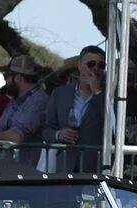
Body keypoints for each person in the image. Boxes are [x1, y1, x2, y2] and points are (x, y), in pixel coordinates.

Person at [42, 45, 105, 173]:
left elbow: (113, 127)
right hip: (65, 164)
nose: (96, 69)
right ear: (80, 65)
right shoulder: (60, 94)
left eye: (101, 65)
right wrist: (59, 135)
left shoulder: (108, 96)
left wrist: (98, 92)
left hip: (94, 166)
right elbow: (46, 130)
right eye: (91, 64)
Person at [0, 54, 50, 165]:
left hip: (26, 173)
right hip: (10, 169)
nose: (5, 81)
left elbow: (15, 137)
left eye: (6, 76)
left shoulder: (38, 101)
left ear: (18, 78)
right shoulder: (14, 101)